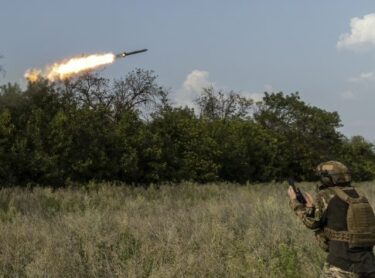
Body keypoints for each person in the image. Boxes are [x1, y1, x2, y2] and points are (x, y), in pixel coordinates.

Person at [288, 161, 375, 278]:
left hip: (341, 264)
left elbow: (312, 223)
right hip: (368, 264)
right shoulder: (359, 194)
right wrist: (312, 208)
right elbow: (339, 219)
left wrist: (295, 203)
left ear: (328, 178)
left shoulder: (326, 195)